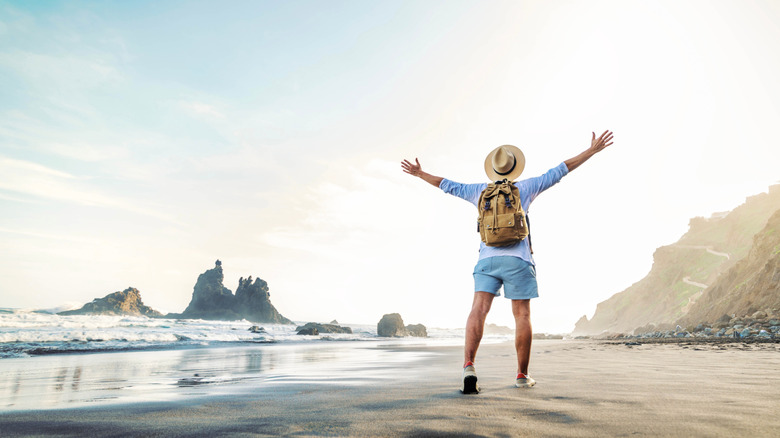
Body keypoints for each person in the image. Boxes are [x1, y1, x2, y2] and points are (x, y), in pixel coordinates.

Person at [401, 130, 614, 394]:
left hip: (487, 260)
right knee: (522, 315)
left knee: (478, 310)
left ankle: (469, 365)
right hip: (518, 260)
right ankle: (522, 375)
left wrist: (420, 173)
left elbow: (447, 184)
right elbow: (561, 169)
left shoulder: (478, 191)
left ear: (493, 169)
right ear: (514, 168)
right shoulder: (525, 188)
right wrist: (591, 151)